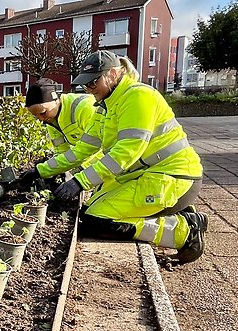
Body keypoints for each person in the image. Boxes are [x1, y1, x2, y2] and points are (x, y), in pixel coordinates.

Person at [22, 50, 208, 263]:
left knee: (96, 221)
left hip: (173, 177)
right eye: (86, 84)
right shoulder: (106, 106)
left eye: (93, 83)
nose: (88, 89)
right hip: (146, 177)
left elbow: (127, 151)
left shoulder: (138, 96)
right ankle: (177, 216)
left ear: (112, 74)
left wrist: (80, 182)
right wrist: (40, 170)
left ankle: (185, 230)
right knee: (88, 213)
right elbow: (83, 149)